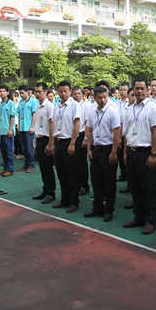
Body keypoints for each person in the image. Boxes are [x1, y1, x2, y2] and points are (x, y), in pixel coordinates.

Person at [122, 78, 156, 234]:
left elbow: (155, 132)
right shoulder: (129, 109)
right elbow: (126, 133)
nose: (139, 91)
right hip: (132, 151)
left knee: (149, 188)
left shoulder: (153, 108)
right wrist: (125, 152)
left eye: (142, 88)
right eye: (136, 88)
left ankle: (150, 220)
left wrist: (153, 153)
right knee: (135, 186)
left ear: (147, 90)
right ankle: (138, 217)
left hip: (146, 152)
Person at [84, 85, 122, 222]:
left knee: (109, 182)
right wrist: (89, 149)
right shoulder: (92, 112)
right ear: (94, 98)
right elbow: (89, 130)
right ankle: (97, 208)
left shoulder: (113, 111)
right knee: (96, 180)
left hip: (108, 149)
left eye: (105, 97)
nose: (102, 100)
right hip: (96, 149)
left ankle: (109, 210)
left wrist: (114, 151)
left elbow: (117, 132)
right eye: (99, 98)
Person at [52, 81, 81, 213]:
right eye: (61, 91)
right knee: (61, 173)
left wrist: (73, 143)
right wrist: (53, 142)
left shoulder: (74, 105)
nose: (63, 94)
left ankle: (74, 202)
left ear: (70, 92)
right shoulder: (57, 106)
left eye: (65, 91)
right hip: (59, 141)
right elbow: (54, 124)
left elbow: (77, 124)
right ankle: (64, 199)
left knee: (72, 174)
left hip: (69, 141)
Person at [32, 83, 56, 203]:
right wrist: (36, 141)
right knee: (42, 167)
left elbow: (52, 124)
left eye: (39, 91)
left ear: (45, 92)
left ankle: (51, 193)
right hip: (40, 139)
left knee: (48, 168)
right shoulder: (38, 105)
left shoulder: (49, 106)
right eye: (36, 91)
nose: (37, 94)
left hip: (47, 139)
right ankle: (45, 190)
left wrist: (51, 143)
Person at [0, 85, 17, 176]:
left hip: (7, 131)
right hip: (0, 131)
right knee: (3, 152)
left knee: (8, 151)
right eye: (0, 91)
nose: (1, 93)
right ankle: (5, 168)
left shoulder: (11, 103)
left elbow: (12, 117)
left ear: (7, 92)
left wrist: (10, 129)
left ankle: (10, 169)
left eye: (3, 91)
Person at [18, 86, 38, 172]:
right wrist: (19, 125)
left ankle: (31, 165)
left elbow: (34, 114)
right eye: (20, 93)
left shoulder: (33, 101)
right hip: (22, 128)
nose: (21, 95)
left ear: (27, 92)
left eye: (22, 93)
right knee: (24, 148)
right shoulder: (20, 102)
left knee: (29, 147)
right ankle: (26, 164)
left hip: (29, 128)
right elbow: (19, 114)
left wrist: (32, 126)